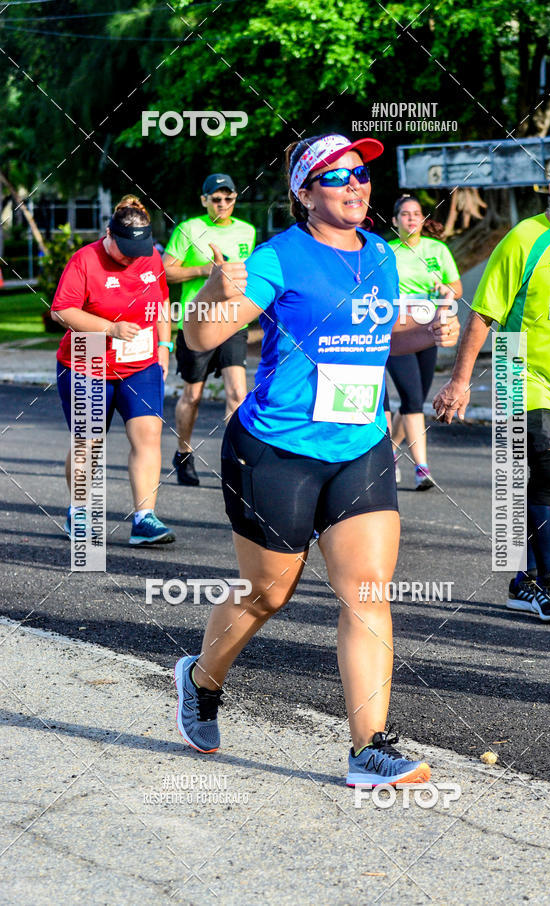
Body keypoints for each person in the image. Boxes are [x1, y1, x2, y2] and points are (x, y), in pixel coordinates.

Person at [173, 133, 459, 787]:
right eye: (336, 177)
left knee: (368, 590)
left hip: (359, 447)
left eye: (361, 174)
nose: (355, 185)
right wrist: (214, 290)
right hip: (276, 450)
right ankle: (202, 677)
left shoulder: (382, 255)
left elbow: (376, 333)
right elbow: (203, 336)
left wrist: (428, 334)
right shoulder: (279, 258)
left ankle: (368, 749)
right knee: (268, 594)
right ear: (305, 194)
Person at [433, 151, 550, 621]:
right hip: (518, 370)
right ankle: (546, 579)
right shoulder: (524, 239)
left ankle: (521, 579)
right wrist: (459, 382)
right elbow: (484, 313)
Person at [51, 196, 175, 546]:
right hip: (87, 357)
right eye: (125, 250)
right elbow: (62, 311)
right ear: (109, 233)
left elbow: (161, 302)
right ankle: (78, 512)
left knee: (148, 436)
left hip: (140, 363)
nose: (132, 257)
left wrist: (164, 347)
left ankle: (144, 519)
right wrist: (110, 328)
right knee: (89, 441)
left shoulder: (150, 256)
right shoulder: (85, 260)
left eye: (139, 249)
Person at [163, 174, 256, 486]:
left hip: (233, 320)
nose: (223, 204)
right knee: (193, 395)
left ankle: (232, 459)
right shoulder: (189, 229)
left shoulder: (247, 231)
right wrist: (204, 270)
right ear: (204, 200)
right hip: (197, 320)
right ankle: (183, 452)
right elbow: (166, 271)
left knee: (238, 393)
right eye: (216, 198)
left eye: (228, 198)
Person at [387, 195, 462, 489]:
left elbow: (455, 287)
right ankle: (422, 467)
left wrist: (447, 289)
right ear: (394, 221)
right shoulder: (387, 252)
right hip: (397, 330)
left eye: (416, 214)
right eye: (405, 214)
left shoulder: (437, 250)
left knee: (414, 398)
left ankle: (390, 452)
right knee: (411, 397)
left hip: (428, 329)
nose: (411, 219)